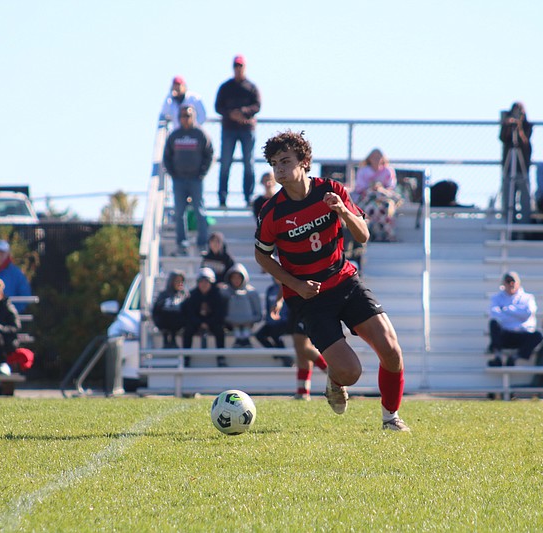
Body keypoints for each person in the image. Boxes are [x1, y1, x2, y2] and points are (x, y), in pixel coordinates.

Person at [255, 130, 409, 431]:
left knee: (391, 349)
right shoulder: (272, 211)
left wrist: (342, 211)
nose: (280, 170)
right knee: (351, 372)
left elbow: (363, 235)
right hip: (308, 298)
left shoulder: (332, 190)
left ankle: (390, 418)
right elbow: (262, 256)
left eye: (286, 161)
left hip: (344, 281)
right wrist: (296, 285)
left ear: (305, 162)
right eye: (275, 164)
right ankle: (336, 378)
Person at [163, 105, 214, 256]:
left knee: (199, 210)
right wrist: (173, 173)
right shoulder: (174, 135)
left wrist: (201, 173)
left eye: (188, 115)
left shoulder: (200, 134)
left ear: (194, 117)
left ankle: (202, 244)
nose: (185, 118)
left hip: (195, 179)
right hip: (179, 180)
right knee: (179, 212)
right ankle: (182, 244)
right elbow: (167, 156)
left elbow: (209, 154)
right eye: (183, 115)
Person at [215, 54, 261, 207]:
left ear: (245, 67)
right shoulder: (225, 87)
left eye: (240, 66)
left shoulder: (251, 87)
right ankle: (222, 198)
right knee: (225, 163)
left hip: (247, 130)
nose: (238, 69)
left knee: (249, 163)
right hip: (229, 130)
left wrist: (244, 112)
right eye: (236, 66)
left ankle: (248, 198)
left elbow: (257, 106)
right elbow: (218, 106)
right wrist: (231, 114)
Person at [487, 271, 543, 367]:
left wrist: (505, 309)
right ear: (503, 283)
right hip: (505, 334)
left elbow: (528, 313)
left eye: (513, 281)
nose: (511, 284)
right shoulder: (496, 297)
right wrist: (518, 314)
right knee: (493, 324)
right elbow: (494, 314)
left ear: (518, 282)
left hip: (522, 334)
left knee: (539, 334)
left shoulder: (528, 298)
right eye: (508, 281)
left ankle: (515, 358)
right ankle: (498, 357)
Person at [353, 148, 403, 242]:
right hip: (367, 199)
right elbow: (360, 188)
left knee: (384, 207)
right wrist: (372, 187)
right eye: (374, 157)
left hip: (383, 199)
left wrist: (379, 188)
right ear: (369, 158)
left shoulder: (388, 171)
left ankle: (380, 234)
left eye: (379, 157)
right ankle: (384, 234)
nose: (376, 159)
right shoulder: (363, 171)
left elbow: (391, 187)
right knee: (372, 206)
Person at [181, 267, 227, 367]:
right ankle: (186, 358)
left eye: (206, 282)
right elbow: (189, 313)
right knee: (188, 331)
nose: (204, 284)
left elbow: (220, 314)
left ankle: (221, 358)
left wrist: (208, 323)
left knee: (220, 331)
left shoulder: (218, 295)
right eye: (201, 282)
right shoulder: (192, 295)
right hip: (197, 322)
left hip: (212, 322)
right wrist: (200, 323)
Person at [499, 102, 533, 223]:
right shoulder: (507, 125)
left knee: (524, 197)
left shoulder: (527, 126)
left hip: (522, 167)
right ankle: (509, 223)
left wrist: (519, 127)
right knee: (508, 198)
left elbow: (525, 143)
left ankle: (525, 225)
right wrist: (507, 125)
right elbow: (503, 138)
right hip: (508, 168)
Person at [221, 263, 262, 348]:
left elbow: (258, 313)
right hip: (231, 325)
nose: (236, 280)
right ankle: (239, 340)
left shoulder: (252, 292)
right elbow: (221, 311)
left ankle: (245, 340)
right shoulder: (224, 292)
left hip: (249, 324)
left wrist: (249, 319)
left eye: (238, 277)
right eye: (234, 277)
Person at [0, 238, 32, 312]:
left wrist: (11, 311)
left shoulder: (17, 274)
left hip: (10, 317)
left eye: (2, 253)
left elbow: (25, 295)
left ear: (7, 254)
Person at [151, 270, 188, 348]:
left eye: (181, 281)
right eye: (177, 281)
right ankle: (166, 339)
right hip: (164, 321)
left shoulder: (184, 295)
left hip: (179, 322)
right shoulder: (163, 295)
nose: (179, 283)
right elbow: (156, 310)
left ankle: (173, 339)